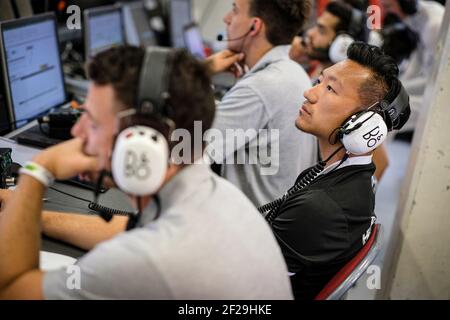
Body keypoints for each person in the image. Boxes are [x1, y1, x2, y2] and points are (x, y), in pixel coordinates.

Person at [0, 46, 293, 299]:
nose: (76, 131)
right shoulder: (219, 195)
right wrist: (29, 216)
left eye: (92, 121)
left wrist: (38, 172)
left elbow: (10, 290)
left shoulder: (150, 260)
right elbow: (124, 230)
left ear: (141, 140)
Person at [260, 42, 411, 300]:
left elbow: (247, 283)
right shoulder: (353, 179)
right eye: (319, 81)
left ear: (363, 125)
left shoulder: (320, 208)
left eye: (330, 89)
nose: (310, 93)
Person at [205, 0, 318, 207]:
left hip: (244, 228)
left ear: (254, 26)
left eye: (235, 10)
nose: (226, 18)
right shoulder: (293, 72)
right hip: (274, 222)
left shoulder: (260, 88)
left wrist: (199, 73)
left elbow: (187, 151)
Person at [290, 0, 389, 181]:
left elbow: (381, 163)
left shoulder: (346, 97)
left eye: (321, 30)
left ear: (341, 45)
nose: (310, 34)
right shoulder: (314, 70)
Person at [380, 0, 444, 138]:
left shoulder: (433, 26)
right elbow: (417, 63)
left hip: (442, 98)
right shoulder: (419, 17)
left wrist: (393, 92)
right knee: (386, 102)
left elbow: (435, 81)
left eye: (388, 7)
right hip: (433, 87)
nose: (387, 12)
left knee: (387, 114)